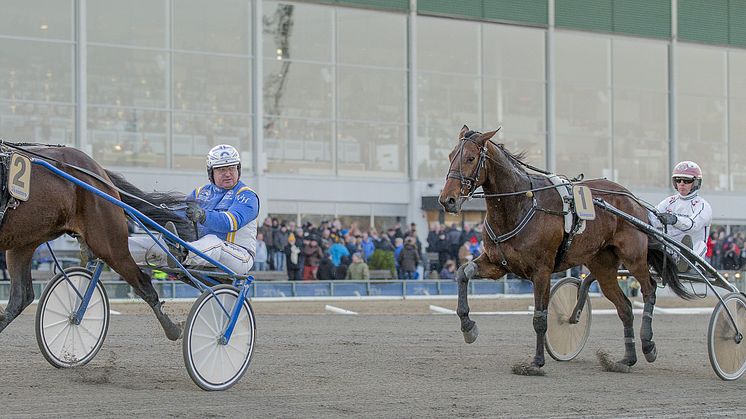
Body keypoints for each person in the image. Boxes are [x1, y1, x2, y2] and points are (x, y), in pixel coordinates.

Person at [128, 144, 259, 275]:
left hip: (239, 256)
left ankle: (183, 253)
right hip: (200, 250)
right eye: (222, 170)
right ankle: (119, 249)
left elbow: (230, 223)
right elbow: (180, 216)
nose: (228, 174)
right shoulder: (199, 192)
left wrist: (203, 215)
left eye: (232, 168)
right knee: (155, 243)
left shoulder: (246, 195)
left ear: (239, 169)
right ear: (211, 172)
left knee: (213, 241)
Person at [655, 160, 713, 272]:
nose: (682, 183)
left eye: (687, 180)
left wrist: (674, 220)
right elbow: (652, 218)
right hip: (669, 251)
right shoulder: (669, 201)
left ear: (696, 183)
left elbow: (693, 225)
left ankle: (687, 263)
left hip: (693, 252)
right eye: (678, 180)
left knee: (699, 244)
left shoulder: (702, 205)